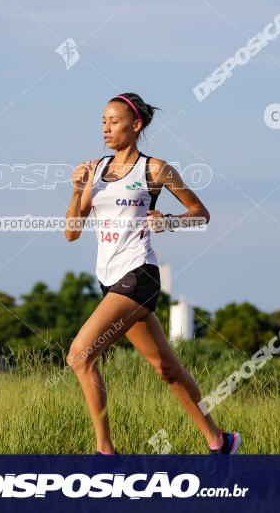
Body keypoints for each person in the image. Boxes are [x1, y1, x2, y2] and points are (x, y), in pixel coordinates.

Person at [64, 92, 241, 456]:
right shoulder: (95, 171)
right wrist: (77, 189)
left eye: (114, 121)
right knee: (166, 369)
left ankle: (105, 453)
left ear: (136, 125)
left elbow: (200, 212)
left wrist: (170, 221)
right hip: (109, 281)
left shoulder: (155, 170)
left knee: (80, 356)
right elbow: (71, 232)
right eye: (103, 122)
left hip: (139, 276)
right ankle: (220, 442)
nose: (106, 128)